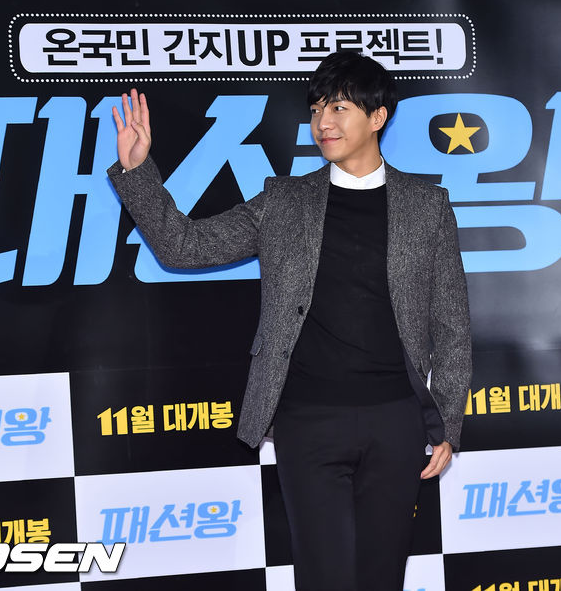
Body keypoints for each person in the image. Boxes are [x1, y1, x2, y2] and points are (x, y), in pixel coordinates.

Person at [107, 51, 471, 591]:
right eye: (317, 108)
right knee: (323, 578)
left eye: (340, 107)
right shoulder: (285, 202)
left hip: (396, 421)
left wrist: (448, 423)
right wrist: (139, 172)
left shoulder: (428, 205)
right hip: (308, 421)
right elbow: (184, 247)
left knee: (381, 577)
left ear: (378, 116)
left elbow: (453, 323)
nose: (324, 121)